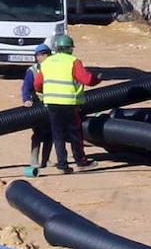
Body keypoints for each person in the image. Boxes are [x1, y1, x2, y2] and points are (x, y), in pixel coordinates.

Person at [34, 34, 101, 173]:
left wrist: (45, 91)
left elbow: (37, 84)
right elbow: (87, 79)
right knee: (75, 134)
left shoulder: (47, 63)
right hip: (69, 103)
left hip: (51, 103)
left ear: (56, 48)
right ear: (70, 49)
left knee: (57, 135)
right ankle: (81, 162)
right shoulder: (73, 61)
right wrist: (97, 79)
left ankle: (62, 166)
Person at [22, 44, 53, 177]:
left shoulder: (54, 69)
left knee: (50, 134)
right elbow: (26, 88)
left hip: (51, 105)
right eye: (40, 55)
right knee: (38, 134)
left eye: (45, 54)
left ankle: (45, 160)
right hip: (36, 106)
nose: (42, 57)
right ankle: (34, 160)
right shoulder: (33, 71)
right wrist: (27, 100)